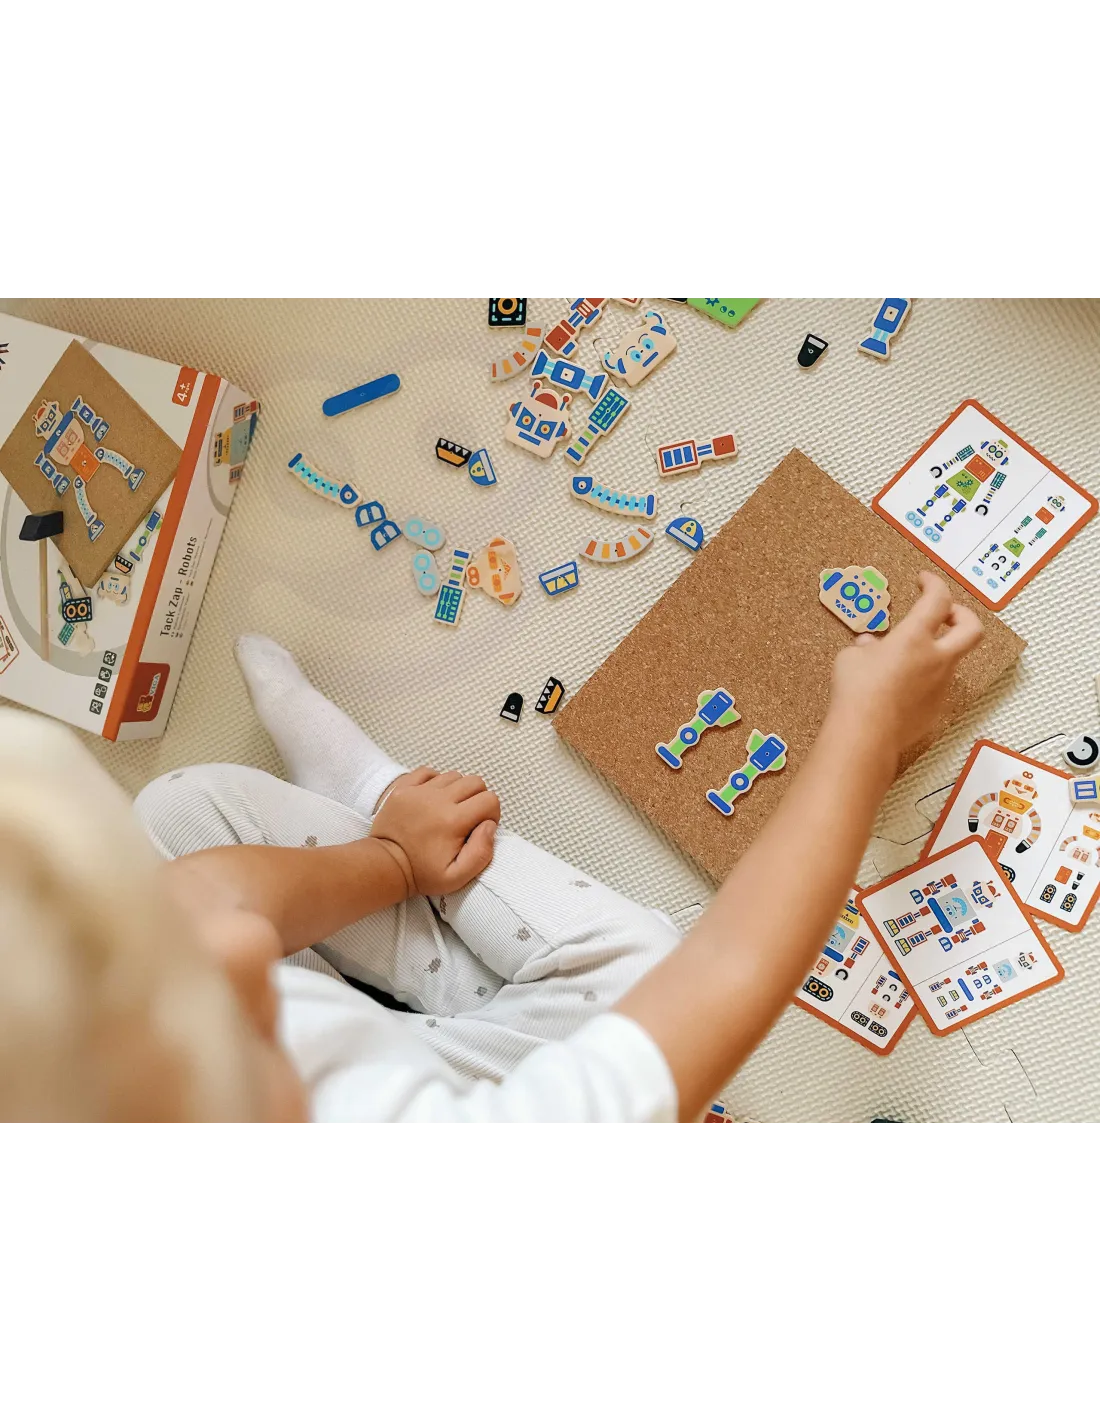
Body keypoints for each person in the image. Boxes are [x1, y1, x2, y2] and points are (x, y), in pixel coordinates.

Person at [0, 573, 982, 1125]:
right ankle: (380, 823)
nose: (239, 942)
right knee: (653, 968)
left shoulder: (153, 1028)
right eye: (215, 1016)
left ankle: (369, 798)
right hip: (470, 1094)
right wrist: (865, 733)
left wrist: (394, 857)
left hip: (388, 1053)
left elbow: (208, 898)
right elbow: (731, 969)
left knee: (180, 811)